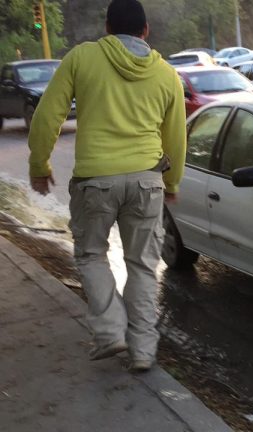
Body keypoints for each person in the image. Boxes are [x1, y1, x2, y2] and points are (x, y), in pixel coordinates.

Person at [27, 0, 186, 372]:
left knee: (91, 255)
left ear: (107, 28)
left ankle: (111, 331)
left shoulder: (82, 58)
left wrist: (40, 164)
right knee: (145, 266)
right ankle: (143, 351)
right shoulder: (165, 74)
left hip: (95, 182)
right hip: (147, 180)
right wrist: (172, 180)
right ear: (146, 30)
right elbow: (176, 137)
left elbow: (48, 115)